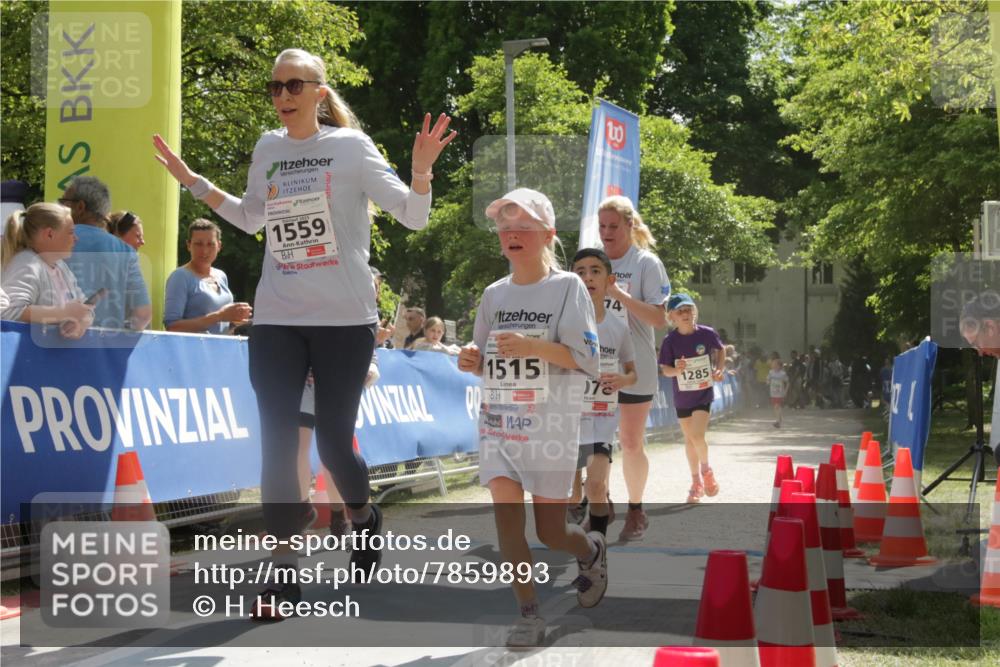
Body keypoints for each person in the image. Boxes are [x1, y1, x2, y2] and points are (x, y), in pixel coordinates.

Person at [153, 47, 455, 620]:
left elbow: (413, 216)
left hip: (344, 322)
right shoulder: (268, 147)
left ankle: (363, 516)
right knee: (276, 442)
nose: (283, 96)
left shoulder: (350, 148)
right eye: (275, 87)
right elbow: (248, 217)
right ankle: (283, 572)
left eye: (295, 85)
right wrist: (191, 180)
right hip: (277, 319)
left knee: (334, 445)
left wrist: (420, 171)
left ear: (320, 92)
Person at [457, 188, 605, 649]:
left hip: (549, 426)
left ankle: (590, 549)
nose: (512, 235)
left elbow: (589, 360)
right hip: (500, 422)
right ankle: (528, 613)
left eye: (523, 227)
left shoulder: (567, 287)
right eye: (504, 228)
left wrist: (535, 346)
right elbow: (486, 356)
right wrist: (470, 358)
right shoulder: (493, 293)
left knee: (551, 532)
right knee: (506, 521)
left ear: (547, 235)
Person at [597, 195, 670, 540]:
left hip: (635, 365)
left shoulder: (646, 263)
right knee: (593, 441)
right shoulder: (591, 262)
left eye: (613, 226)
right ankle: (600, 504)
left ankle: (636, 509)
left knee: (629, 442)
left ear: (628, 226)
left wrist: (620, 295)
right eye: (602, 226)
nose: (607, 232)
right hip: (595, 367)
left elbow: (659, 318)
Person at [567, 247, 636, 536]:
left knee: (597, 486)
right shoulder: (563, 324)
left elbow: (633, 374)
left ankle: (597, 549)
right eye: (580, 272)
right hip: (567, 421)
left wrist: (622, 380)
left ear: (610, 280)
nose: (588, 277)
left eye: (595, 271)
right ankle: (574, 507)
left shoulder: (619, 327)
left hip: (600, 419)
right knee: (570, 495)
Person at [658, 293, 726, 504]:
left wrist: (719, 369)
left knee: (697, 436)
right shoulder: (670, 341)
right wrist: (676, 370)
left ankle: (706, 471)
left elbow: (721, 350)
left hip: (703, 394)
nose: (686, 314)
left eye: (689, 310)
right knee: (689, 440)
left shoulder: (706, 334)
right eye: (680, 311)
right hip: (682, 398)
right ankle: (696, 483)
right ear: (672, 317)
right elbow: (665, 371)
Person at [60, 176, 152, 331]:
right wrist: (119, 331)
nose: (60, 208)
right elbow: (143, 314)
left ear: (80, 207)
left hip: (56, 342)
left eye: (63, 203)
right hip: (107, 348)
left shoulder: (52, 240)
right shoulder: (126, 252)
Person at [1, 203, 94, 338]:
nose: (76, 238)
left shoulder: (61, 266)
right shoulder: (27, 263)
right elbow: (8, 313)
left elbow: (84, 307)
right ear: (49, 234)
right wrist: (63, 313)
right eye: (70, 232)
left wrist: (82, 323)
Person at [163, 219, 252, 334]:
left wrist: (236, 319)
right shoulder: (180, 277)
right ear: (188, 245)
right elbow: (172, 326)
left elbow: (221, 326)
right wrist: (220, 316)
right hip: (193, 350)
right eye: (198, 244)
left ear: (219, 246)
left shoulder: (221, 276)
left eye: (210, 244)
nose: (204, 251)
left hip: (221, 348)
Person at [768, 358, 789, 428]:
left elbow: (788, 382)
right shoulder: (771, 372)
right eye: (773, 364)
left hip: (780, 392)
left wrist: (785, 391)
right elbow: (768, 379)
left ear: (779, 366)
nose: (774, 366)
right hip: (773, 392)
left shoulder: (783, 374)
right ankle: (780, 419)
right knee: (776, 406)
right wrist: (767, 381)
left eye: (775, 365)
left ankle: (777, 421)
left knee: (777, 406)